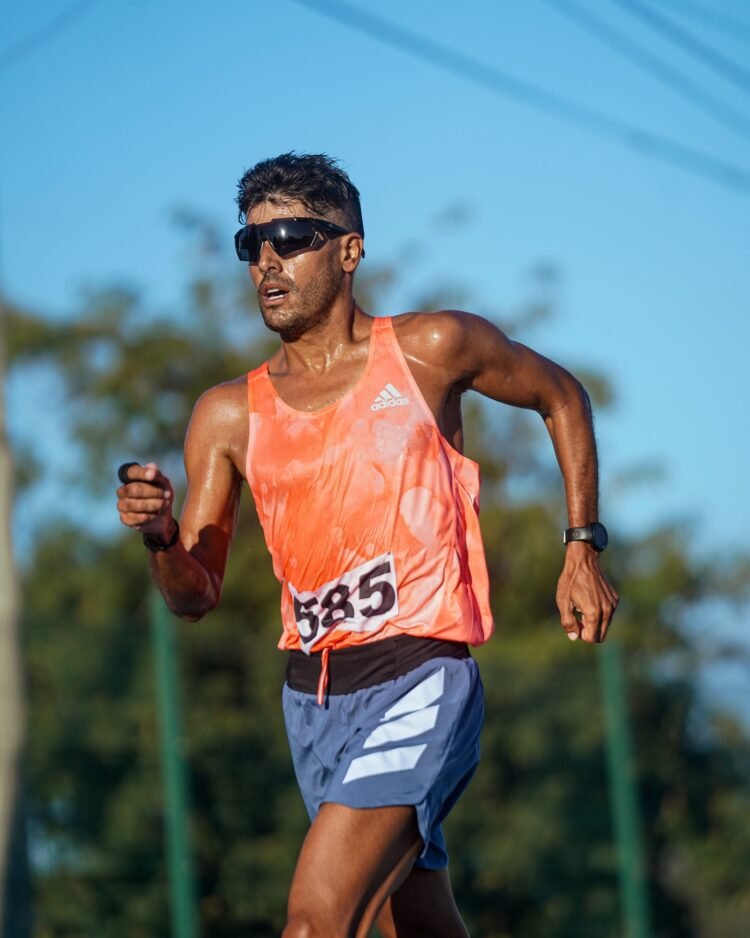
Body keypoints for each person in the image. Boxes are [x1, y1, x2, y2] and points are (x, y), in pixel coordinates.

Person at [116, 152, 618, 938]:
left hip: (420, 674)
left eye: (290, 237)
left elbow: (562, 395)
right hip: (311, 702)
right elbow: (194, 595)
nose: (268, 263)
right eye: (252, 246)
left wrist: (582, 546)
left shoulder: (431, 347)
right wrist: (157, 537)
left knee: (316, 922)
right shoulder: (227, 416)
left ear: (350, 250)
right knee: (409, 925)